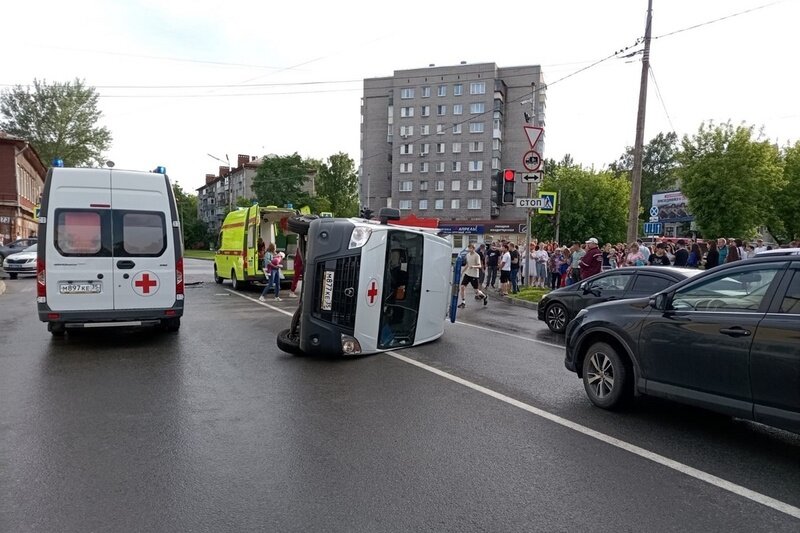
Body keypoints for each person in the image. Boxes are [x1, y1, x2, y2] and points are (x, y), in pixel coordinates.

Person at [458, 244, 488, 308]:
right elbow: (467, 264)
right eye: (469, 248)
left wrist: (473, 266)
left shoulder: (477, 256)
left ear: (474, 249)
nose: (469, 249)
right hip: (467, 274)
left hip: (474, 275)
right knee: (462, 287)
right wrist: (462, 272)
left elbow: (479, 265)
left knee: (476, 291)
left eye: (470, 248)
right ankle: (463, 302)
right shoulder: (467, 255)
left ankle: (484, 297)